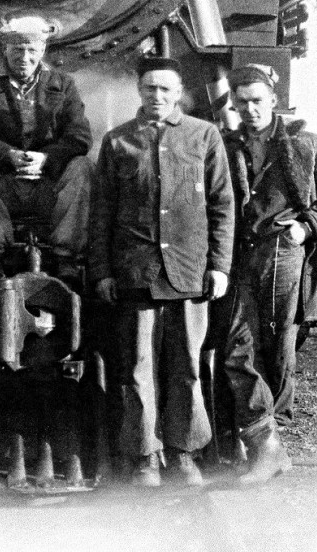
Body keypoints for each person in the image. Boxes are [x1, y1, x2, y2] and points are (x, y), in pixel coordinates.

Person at [88, 56, 235, 487]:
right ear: (139, 90)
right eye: (150, 88)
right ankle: (145, 457)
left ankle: (184, 453)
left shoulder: (204, 135)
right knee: (138, 368)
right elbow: (101, 213)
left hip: (189, 269)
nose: (157, 96)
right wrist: (103, 271)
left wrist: (219, 266)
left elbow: (222, 205)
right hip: (136, 271)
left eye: (165, 89)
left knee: (187, 365)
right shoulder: (118, 141)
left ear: (179, 93)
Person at [222, 63, 317, 484]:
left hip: (285, 253)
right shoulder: (225, 145)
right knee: (238, 348)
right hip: (240, 255)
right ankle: (266, 444)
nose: (250, 109)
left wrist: (305, 227)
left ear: (273, 100)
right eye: (242, 102)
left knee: (279, 348)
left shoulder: (306, 144)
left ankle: (267, 446)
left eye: (257, 100)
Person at [0, 14, 92, 285]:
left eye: (31, 49)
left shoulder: (64, 85)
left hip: (49, 187)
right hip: (3, 187)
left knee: (82, 167)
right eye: (17, 49)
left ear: (43, 49)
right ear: (5, 49)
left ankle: (66, 257)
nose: (24, 57)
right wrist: (8, 155)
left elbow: (79, 137)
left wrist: (46, 158)